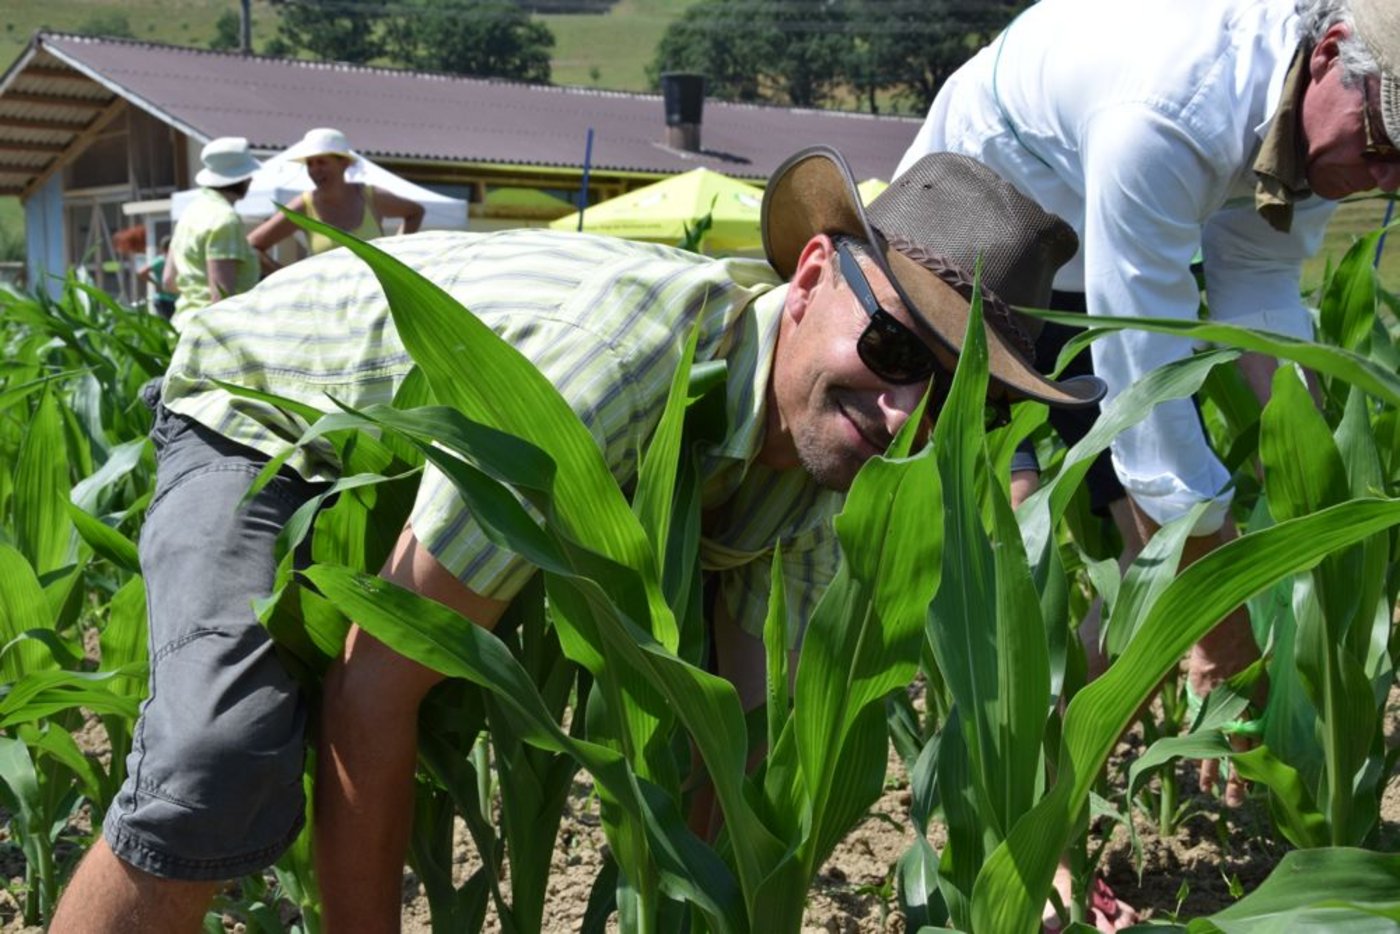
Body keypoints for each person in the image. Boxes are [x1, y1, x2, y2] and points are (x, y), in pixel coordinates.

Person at [48, 145, 1104, 933]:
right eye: (889, 347)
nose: (895, 414)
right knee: (218, 754)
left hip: (428, 451)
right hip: (268, 413)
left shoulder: (826, 487)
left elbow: (727, 756)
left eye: (942, 400)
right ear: (814, 274)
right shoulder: (615, 368)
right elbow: (374, 688)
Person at [897, 0, 1400, 819]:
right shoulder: (1172, 114)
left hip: (1092, 262)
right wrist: (1224, 642)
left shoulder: (1313, 138)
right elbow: (1151, 402)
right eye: (1380, 143)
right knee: (1012, 550)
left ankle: (1050, 816)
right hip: (971, 231)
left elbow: (1261, 293)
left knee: (1148, 576)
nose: (1382, 178)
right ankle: (1002, 833)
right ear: (1328, 53)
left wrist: (1313, 474)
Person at [248, 127, 424, 273]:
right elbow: (251, 246)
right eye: (310, 163)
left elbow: (415, 212)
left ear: (344, 163)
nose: (315, 170)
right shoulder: (303, 206)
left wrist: (396, 259)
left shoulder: (371, 197)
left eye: (322, 162)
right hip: (326, 309)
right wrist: (290, 281)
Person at [166, 138, 262, 328]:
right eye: (248, 174)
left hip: (182, 324)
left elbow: (169, 280)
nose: (251, 179)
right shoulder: (225, 220)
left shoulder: (190, 212)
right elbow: (221, 298)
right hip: (209, 333)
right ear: (241, 178)